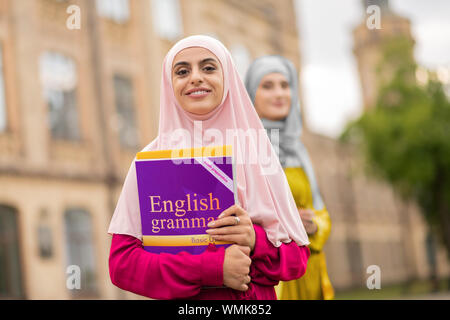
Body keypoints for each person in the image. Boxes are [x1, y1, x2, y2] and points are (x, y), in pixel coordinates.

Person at [107, 35, 311, 300]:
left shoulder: (258, 152)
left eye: (208, 67)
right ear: (170, 84)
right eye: (182, 71)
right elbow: (123, 266)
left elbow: (297, 259)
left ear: (228, 77)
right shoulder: (151, 159)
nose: (195, 77)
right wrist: (213, 269)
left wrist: (255, 241)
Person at [245, 55, 334, 300]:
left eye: (285, 85)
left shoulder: (298, 150)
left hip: (311, 271)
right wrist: (287, 223)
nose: (279, 93)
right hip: (275, 273)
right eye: (268, 85)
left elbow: (321, 212)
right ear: (251, 93)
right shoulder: (246, 147)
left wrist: (314, 226)